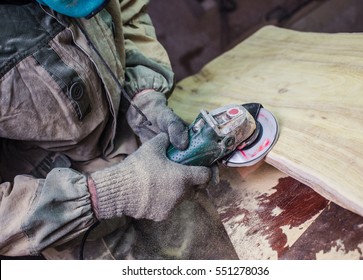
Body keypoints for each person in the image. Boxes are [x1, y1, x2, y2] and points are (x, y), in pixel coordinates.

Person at [0, 0, 217, 259]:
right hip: (65, 219)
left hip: (156, 158)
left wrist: (143, 92)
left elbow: (128, 12)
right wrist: (104, 193)